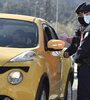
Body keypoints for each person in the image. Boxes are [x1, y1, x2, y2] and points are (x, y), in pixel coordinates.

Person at [74, 4, 90, 100]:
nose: (85, 17)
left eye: (87, 14)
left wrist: (77, 59)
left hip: (87, 65)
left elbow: (84, 46)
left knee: (84, 94)